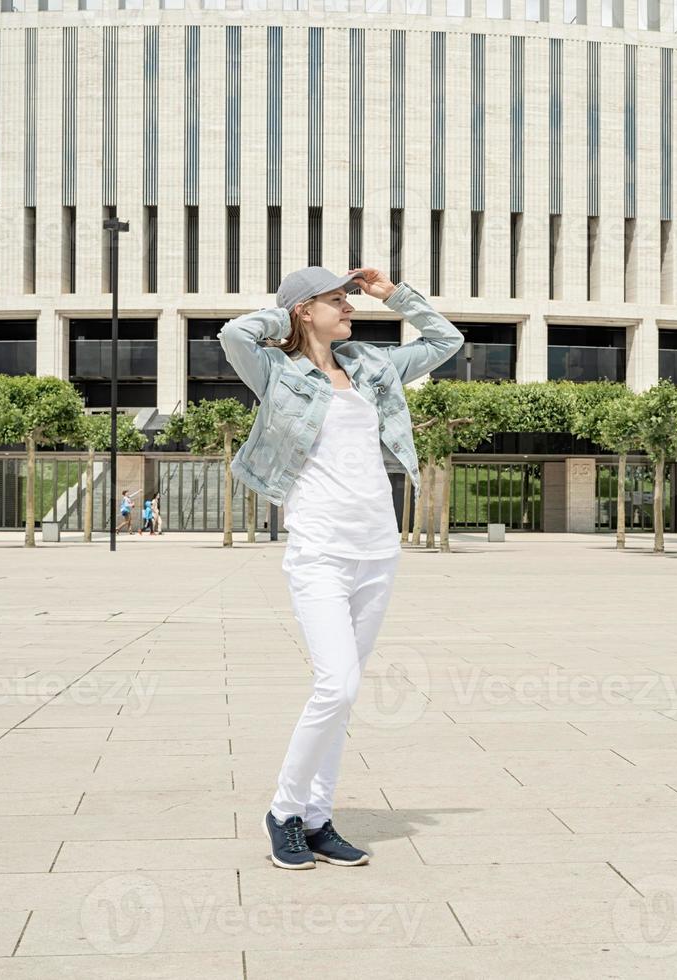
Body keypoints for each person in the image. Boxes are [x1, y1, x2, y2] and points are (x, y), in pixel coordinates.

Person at [219, 265, 461, 871]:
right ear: (306, 310)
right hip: (320, 550)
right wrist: (290, 313)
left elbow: (445, 342)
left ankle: (319, 818)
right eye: (338, 302)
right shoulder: (276, 370)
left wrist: (393, 295)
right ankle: (283, 813)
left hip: (378, 547)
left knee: (344, 695)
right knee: (337, 684)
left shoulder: (373, 366)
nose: (351, 309)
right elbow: (233, 335)